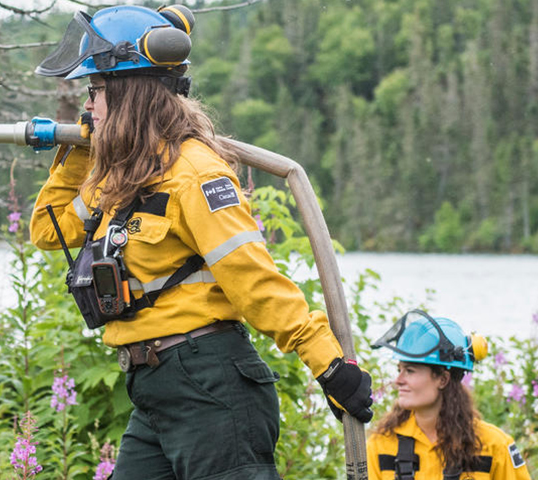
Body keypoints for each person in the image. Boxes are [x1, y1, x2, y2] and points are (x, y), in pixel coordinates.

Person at [27, 5, 374, 479]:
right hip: (153, 389)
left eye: (96, 92)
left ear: (131, 95)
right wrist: (80, 153)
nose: (88, 106)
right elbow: (48, 231)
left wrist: (329, 366)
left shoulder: (195, 172)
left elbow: (252, 277)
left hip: (211, 386)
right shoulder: (119, 175)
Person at [367, 311, 530, 480]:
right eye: (398, 370)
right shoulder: (381, 445)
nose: (398, 380)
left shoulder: (495, 446)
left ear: (443, 379)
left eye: (409, 371)